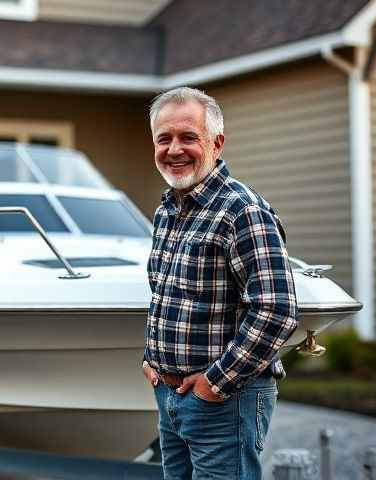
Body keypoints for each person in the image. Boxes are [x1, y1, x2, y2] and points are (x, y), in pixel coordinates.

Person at [142, 87, 298, 479]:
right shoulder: (168, 210)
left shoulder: (241, 210)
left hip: (224, 401)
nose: (174, 149)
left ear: (216, 142)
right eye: (164, 138)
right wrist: (152, 359)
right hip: (171, 395)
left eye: (188, 137)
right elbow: (164, 293)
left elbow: (276, 309)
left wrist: (213, 384)